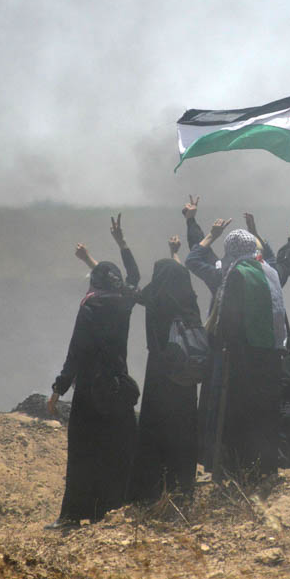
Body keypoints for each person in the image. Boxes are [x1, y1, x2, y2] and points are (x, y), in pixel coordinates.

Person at [46, 215, 141, 528]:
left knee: (84, 453)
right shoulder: (124, 302)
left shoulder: (90, 305)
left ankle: (73, 515)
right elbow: (131, 278)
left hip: (89, 391)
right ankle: (107, 510)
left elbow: (77, 352)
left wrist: (59, 388)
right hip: (116, 387)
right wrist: (121, 244)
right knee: (112, 450)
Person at [204, 229, 289, 478]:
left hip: (244, 355)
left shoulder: (237, 273)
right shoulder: (270, 272)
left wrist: (219, 343)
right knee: (266, 412)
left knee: (240, 411)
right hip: (272, 354)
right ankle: (266, 467)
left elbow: (229, 320)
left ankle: (239, 468)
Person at [128, 235, 203, 502]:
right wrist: (175, 254)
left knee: (156, 431)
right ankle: (183, 488)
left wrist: (123, 245)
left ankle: (150, 492)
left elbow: (133, 290)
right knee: (183, 432)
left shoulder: (156, 301)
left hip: (160, 375)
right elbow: (181, 276)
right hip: (186, 376)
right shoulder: (189, 302)